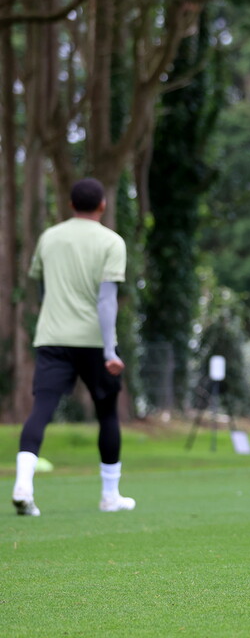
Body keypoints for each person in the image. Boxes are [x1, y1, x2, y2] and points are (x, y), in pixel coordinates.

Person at [12, 178, 135, 516]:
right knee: (107, 413)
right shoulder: (112, 241)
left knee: (42, 409)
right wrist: (110, 351)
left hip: (52, 338)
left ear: (70, 204)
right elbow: (107, 300)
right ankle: (110, 496)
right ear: (103, 205)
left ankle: (23, 485)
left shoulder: (49, 237)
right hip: (95, 342)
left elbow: (40, 285)